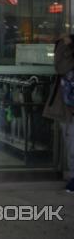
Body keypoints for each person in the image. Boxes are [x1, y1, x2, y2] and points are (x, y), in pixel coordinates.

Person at [43, 34, 74, 192]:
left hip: (69, 109)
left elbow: (60, 66)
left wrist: (64, 45)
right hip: (68, 108)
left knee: (71, 143)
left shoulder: (68, 55)